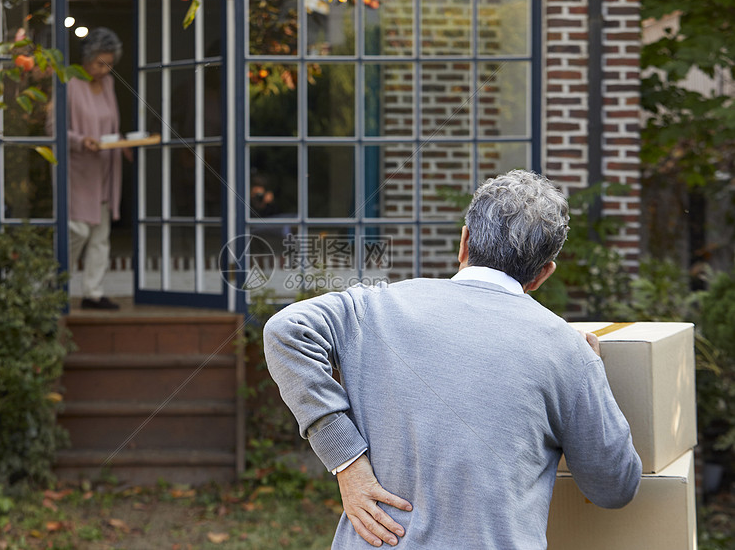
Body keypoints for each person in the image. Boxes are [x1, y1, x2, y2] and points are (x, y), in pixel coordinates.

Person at [263, 170, 641, 549]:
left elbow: (285, 329)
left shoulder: (374, 307)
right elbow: (614, 488)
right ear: (543, 274)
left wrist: (346, 460)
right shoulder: (567, 351)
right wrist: (592, 372)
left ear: (464, 242)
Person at [67, 27, 130, 310]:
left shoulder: (108, 84)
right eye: (99, 64)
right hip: (79, 169)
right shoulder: (68, 83)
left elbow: (111, 127)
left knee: (101, 235)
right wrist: (82, 141)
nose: (105, 70)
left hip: (105, 168)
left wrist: (123, 143)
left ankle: (93, 293)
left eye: (109, 64)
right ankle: (58, 287)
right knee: (77, 230)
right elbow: (53, 130)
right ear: (86, 58)